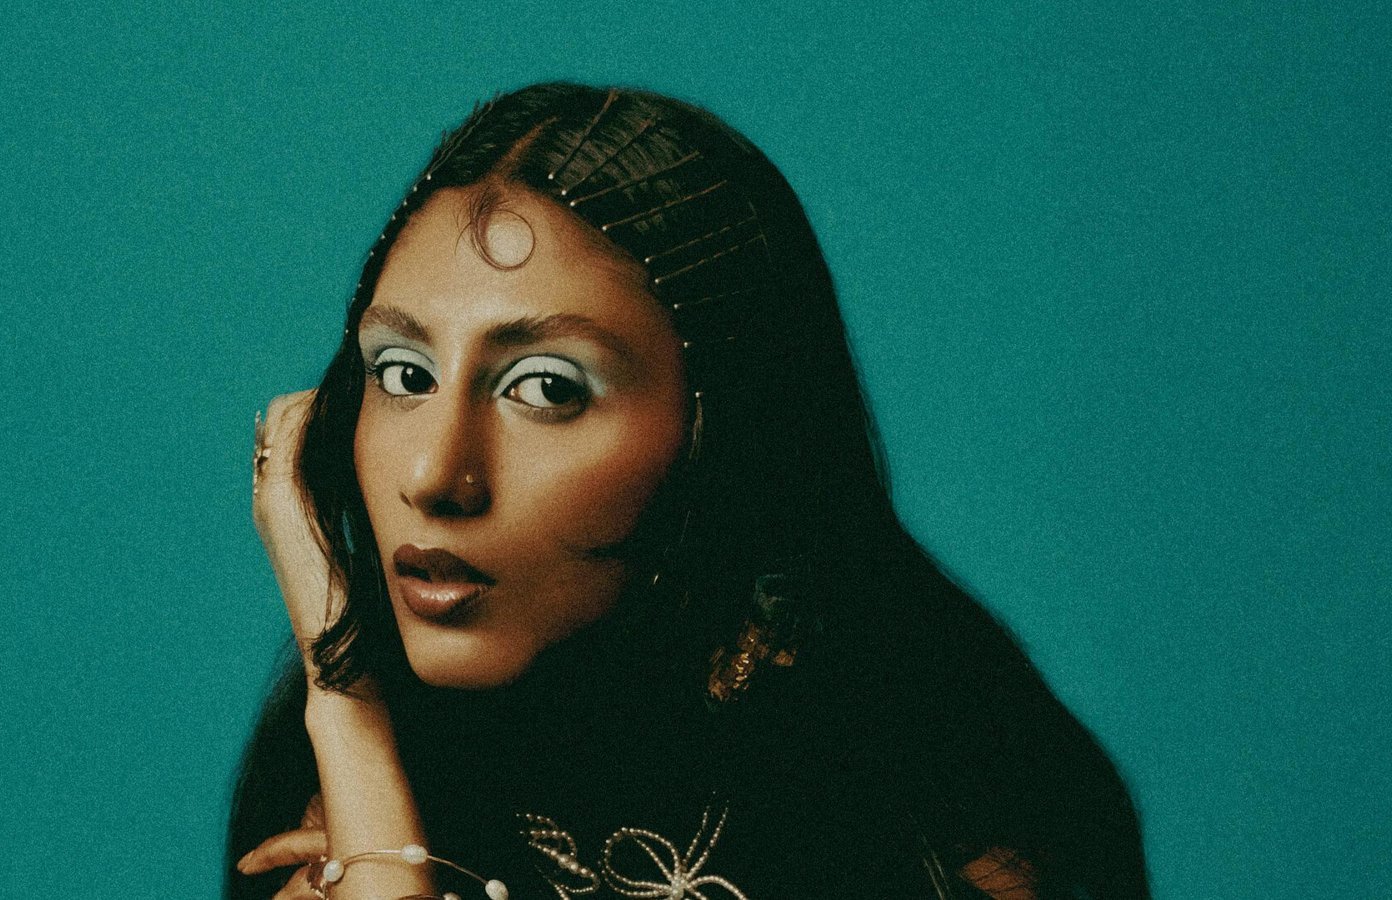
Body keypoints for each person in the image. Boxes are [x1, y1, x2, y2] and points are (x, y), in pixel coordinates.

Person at [227, 83, 1149, 899]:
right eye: (403, 374)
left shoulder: (949, 783)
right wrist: (345, 708)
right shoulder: (341, 775)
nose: (435, 477)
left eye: (547, 389)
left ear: (725, 425)